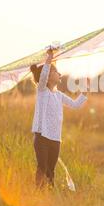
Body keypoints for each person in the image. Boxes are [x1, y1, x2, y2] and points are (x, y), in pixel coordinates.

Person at [30, 49, 87, 188]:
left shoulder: (59, 95)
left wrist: (84, 93)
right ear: (48, 76)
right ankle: (38, 192)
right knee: (42, 167)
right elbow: (42, 76)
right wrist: (49, 58)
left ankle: (49, 194)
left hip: (55, 138)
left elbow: (75, 104)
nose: (60, 74)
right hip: (42, 136)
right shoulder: (42, 91)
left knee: (51, 170)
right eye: (56, 72)